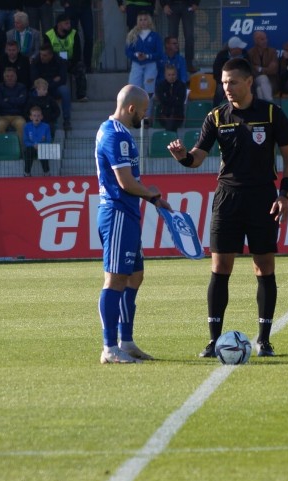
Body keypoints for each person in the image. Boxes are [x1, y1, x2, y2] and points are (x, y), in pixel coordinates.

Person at [167, 57, 288, 358]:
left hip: (263, 197)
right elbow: (198, 157)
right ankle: (213, 341)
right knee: (219, 267)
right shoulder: (216, 117)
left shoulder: (271, 114)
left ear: (249, 82)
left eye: (232, 82)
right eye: (223, 83)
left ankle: (263, 339)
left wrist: (285, 195)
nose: (227, 88)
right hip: (227, 198)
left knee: (263, 267)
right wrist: (184, 156)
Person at [96, 84, 172, 363]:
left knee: (135, 275)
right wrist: (151, 192)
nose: (145, 115)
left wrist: (152, 199)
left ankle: (125, 341)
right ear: (131, 109)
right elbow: (126, 182)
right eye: (143, 110)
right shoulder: (117, 136)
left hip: (127, 213)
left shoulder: (116, 132)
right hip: (116, 213)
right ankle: (109, 347)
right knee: (115, 279)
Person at [125, 10, 162, 122]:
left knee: (148, 91)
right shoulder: (133, 35)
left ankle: (146, 116)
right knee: (133, 88)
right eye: (140, 20)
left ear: (149, 21)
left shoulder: (155, 36)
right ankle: (133, 115)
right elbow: (127, 51)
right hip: (137, 64)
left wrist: (148, 56)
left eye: (145, 19)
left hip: (150, 65)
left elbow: (159, 53)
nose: (143, 22)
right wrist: (137, 55)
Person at [44, 12, 88, 102]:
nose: (69, 25)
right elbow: (47, 52)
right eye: (66, 23)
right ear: (59, 25)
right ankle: (54, 95)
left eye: (69, 23)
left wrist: (69, 62)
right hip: (55, 62)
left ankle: (81, 95)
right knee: (48, 69)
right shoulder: (49, 35)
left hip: (71, 62)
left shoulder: (74, 33)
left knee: (80, 67)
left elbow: (77, 53)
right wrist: (58, 61)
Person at [31, 42, 73, 130]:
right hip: (41, 88)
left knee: (65, 91)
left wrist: (47, 84)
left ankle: (66, 119)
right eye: (41, 54)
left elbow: (63, 79)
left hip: (54, 88)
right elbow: (35, 80)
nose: (42, 57)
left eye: (45, 55)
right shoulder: (36, 61)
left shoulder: (59, 61)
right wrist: (52, 80)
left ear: (51, 55)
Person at [161, 0, 198, 72]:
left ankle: (189, 64)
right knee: (172, 36)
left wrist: (196, 3)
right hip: (171, 6)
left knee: (189, 36)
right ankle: (173, 63)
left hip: (188, 5)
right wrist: (164, 5)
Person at [0, 66, 28, 146]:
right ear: (4, 77)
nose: (10, 78)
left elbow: (22, 101)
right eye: (7, 76)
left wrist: (8, 99)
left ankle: (22, 151)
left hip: (17, 116)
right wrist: (15, 100)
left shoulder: (22, 87)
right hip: (2, 116)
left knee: (22, 125)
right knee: (0, 126)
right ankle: (4, 150)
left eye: (12, 76)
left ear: (16, 77)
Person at [212, 36, 247, 106]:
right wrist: (224, 81)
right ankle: (216, 108)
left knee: (250, 87)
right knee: (219, 89)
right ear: (232, 49)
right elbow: (216, 72)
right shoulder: (221, 56)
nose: (241, 49)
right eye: (238, 48)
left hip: (241, 79)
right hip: (225, 81)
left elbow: (248, 69)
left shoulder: (245, 54)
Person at [247, 30, 278, 102]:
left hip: (272, 81)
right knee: (262, 78)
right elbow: (251, 70)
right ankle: (270, 102)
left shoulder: (272, 51)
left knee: (259, 90)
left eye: (266, 38)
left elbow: (274, 69)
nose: (265, 41)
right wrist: (267, 69)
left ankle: (263, 107)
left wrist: (260, 69)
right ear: (256, 41)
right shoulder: (250, 53)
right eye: (262, 39)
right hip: (255, 80)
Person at [64, 0, 94, 73]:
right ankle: (75, 64)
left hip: (85, 5)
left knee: (89, 36)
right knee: (72, 36)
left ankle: (87, 64)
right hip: (71, 6)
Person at [154, 63, 186, 131]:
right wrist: (174, 98)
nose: (171, 77)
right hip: (163, 115)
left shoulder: (181, 86)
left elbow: (180, 101)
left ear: (176, 74)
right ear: (165, 75)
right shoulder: (160, 86)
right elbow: (162, 100)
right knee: (169, 122)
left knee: (171, 122)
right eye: (169, 75)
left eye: (173, 74)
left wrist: (167, 99)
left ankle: (169, 138)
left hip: (178, 115)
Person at [23, 105, 51, 176]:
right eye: (34, 116)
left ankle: (46, 173)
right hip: (31, 148)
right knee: (28, 151)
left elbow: (48, 140)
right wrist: (33, 145)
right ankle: (27, 173)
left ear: (41, 117)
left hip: (42, 148)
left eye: (38, 116)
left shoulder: (46, 126)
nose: (36, 118)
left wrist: (40, 145)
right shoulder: (26, 126)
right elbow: (25, 140)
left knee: (43, 150)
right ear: (31, 117)